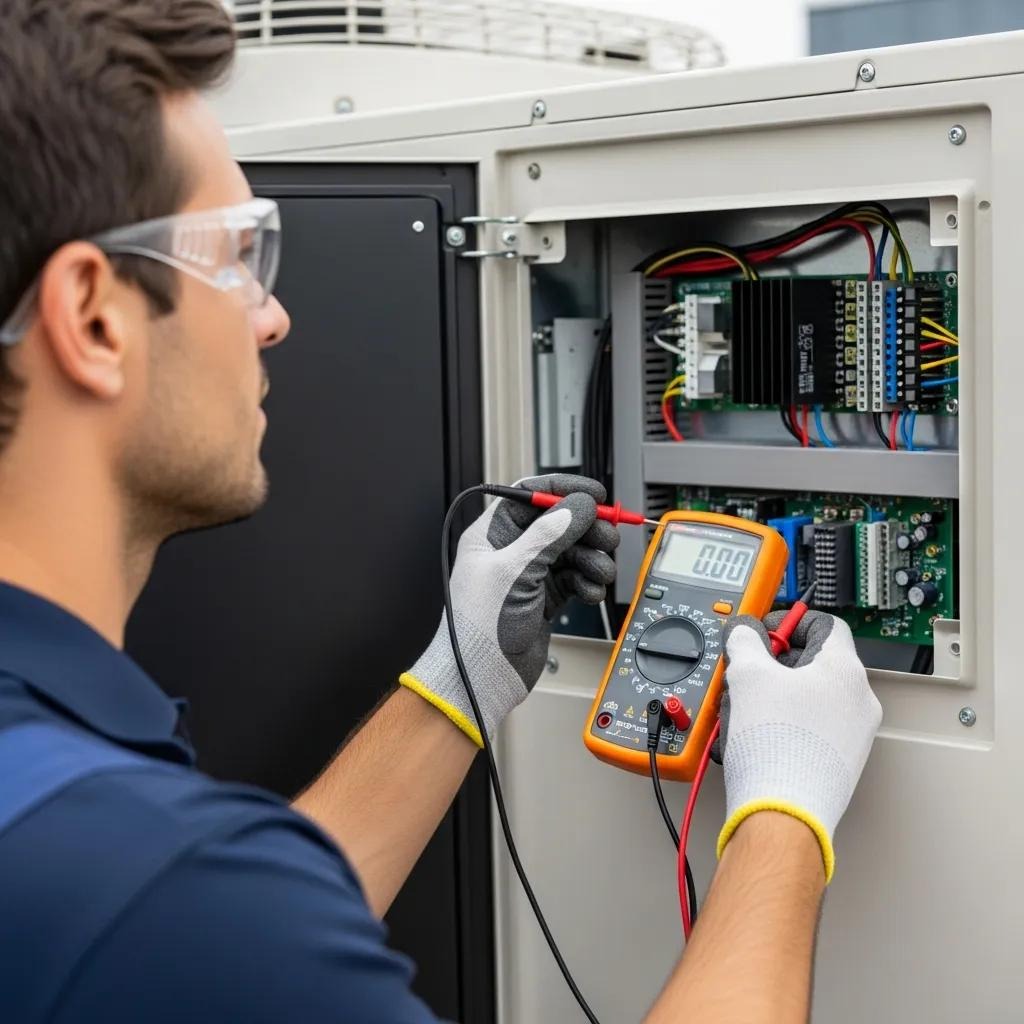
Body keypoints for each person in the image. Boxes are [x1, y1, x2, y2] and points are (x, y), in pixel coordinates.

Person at [0, 1, 883, 1021]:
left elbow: (216, 948)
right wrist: (784, 809)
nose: (274, 315)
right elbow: (206, 924)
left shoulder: (101, 842)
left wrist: (453, 682)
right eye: (238, 256)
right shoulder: (166, 889)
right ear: (94, 319)